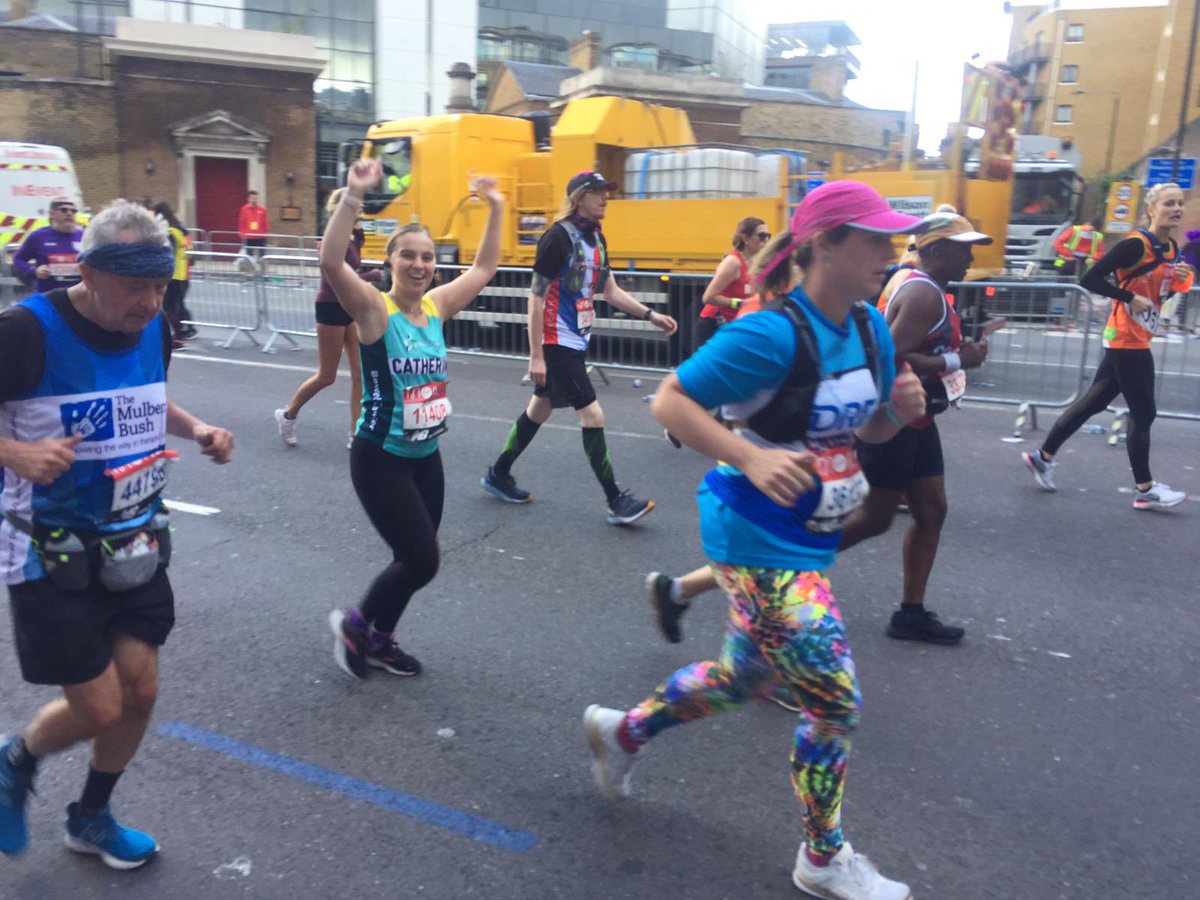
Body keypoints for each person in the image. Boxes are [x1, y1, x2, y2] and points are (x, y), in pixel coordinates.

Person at [584, 180, 927, 900]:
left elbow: (865, 430)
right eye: (875, 239)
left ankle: (623, 733)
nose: (890, 254)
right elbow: (670, 400)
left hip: (808, 536)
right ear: (825, 244)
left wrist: (900, 413)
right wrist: (750, 454)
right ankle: (823, 857)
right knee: (834, 700)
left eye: (895, 240)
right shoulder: (770, 332)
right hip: (751, 533)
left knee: (745, 678)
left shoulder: (868, 329)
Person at [0, 199, 234, 869]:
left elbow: (145, 398)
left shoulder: (153, 327)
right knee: (101, 707)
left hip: (133, 541)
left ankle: (91, 817)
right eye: (135, 285)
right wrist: (15, 455)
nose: (150, 301)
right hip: (47, 551)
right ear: (89, 272)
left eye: (159, 285)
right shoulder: (24, 332)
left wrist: (198, 431)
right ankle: (15, 761)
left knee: (142, 690)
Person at [323, 159, 503, 680]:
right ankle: (355, 627)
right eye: (408, 255)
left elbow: (485, 269)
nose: (419, 264)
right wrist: (355, 195)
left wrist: (494, 207)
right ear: (390, 261)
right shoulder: (375, 311)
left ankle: (381, 639)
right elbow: (333, 263)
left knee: (412, 558)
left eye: (426, 257)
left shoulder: (437, 306)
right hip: (380, 457)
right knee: (422, 560)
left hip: (426, 457)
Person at [480, 171, 678, 525]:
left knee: (539, 409)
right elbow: (536, 297)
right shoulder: (557, 238)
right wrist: (536, 355)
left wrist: (651, 314)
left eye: (606, 192)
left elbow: (610, 290)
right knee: (593, 415)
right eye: (598, 193)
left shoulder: (597, 238)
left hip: (576, 337)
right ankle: (615, 500)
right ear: (578, 197)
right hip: (558, 341)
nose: (605, 199)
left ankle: (498, 474)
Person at [835, 210, 993, 645]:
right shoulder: (924, 294)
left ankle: (910, 613)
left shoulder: (916, 283)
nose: (969, 260)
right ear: (937, 250)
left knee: (931, 510)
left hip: (916, 415)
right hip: (891, 419)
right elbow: (891, 357)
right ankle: (782, 571)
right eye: (963, 250)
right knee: (873, 518)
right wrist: (962, 360)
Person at [1023, 182, 1192, 509]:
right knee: (1144, 413)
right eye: (1169, 203)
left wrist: (1179, 278)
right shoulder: (1135, 244)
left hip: (1138, 336)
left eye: (1180, 203)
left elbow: (1161, 295)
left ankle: (1042, 457)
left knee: (1092, 404)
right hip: (1125, 338)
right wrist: (1129, 297)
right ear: (1151, 209)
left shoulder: (1171, 249)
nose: (1176, 208)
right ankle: (1145, 489)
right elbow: (1090, 279)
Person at [274, 188, 378, 451]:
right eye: (357, 205)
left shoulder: (355, 235)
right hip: (330, 306)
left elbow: (353, 272)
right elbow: (337, 278)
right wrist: (374, 275)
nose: (362, 208)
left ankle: (356, 433)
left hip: (350, 306)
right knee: (327, 375)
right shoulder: (332, 239)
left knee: (360, 375)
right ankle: (288, 415)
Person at [696, 217, 769, 349]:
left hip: (737, 324)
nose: (766, 240)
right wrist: (740, 303)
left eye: (768, 236)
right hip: (715, 324)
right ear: (746, 238)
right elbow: (708, 297)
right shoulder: (733, 262)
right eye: (762, 236)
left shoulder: (757, 262)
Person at [12, 196, 85, 294]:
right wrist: (35, 270)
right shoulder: (38, 236)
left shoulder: (83, 236)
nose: (69, 213)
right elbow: (18, 260)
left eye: (73, 211)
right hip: (47, 296)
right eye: (64, 210)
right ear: (52, 214)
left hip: (79, 296)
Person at [153, 201, 196, 347]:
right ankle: (185, 331)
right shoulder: (182, 232)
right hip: (184, 275)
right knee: (176, 306)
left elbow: (167, 255)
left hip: (173, 275)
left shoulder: (170, 233)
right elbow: (192, 256)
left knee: (169, 308)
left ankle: (178, 338)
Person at [237, 190, 269, 259]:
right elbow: (241, 222)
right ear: (248, 199)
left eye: (256, 198)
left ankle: (263, 269)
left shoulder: (262, 210)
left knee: (262, 256)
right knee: (249, 256)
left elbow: (265, 223)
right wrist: (242, 234)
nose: (254, 200)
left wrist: (266, 234)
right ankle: (250, 269)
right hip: (249, 237)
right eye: (252, 198)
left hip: (260, 237)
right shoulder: (244, 209)